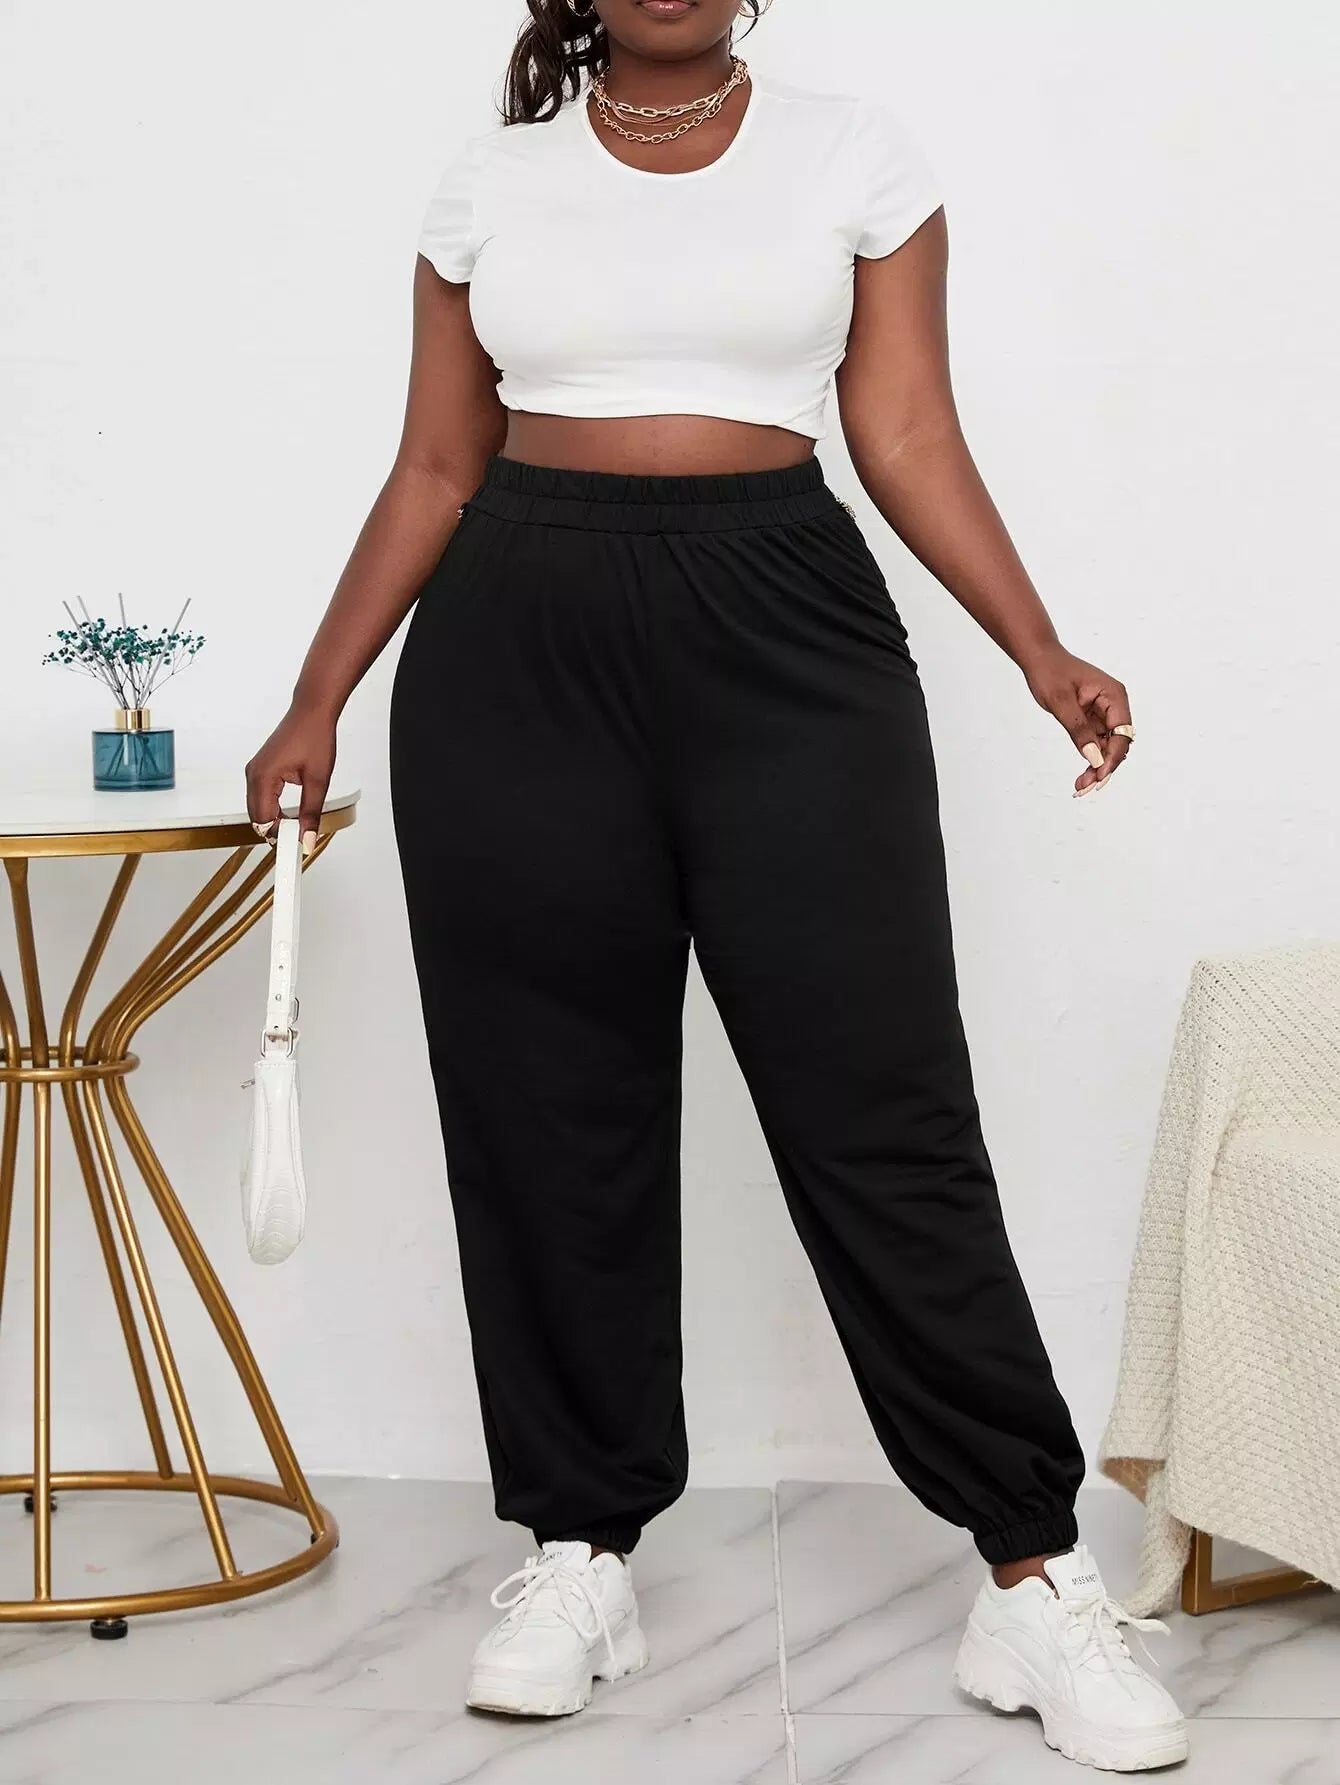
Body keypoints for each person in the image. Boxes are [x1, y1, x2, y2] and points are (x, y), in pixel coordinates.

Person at [245, 0, 1186, 1770]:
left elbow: (905, 430)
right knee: (546, 1112)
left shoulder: (855, 153)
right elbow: (438, 462)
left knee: (881, 1105)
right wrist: (318, 696)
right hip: (515, 650)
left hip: (787, 635)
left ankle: (1028, 1571)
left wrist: (1038, 644)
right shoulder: (488, 181)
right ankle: (579, 1548)